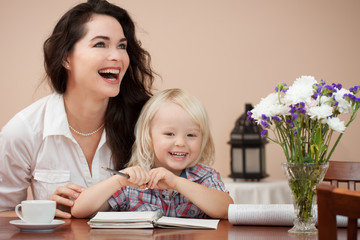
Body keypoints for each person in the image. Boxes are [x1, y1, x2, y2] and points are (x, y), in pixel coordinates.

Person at [0, 0, 155, 218]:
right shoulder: (23, 130)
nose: (117, 56)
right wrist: (43, 212)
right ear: (66, 58)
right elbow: (3, 213)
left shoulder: (147, 121)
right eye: (100, 44)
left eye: (122, 46)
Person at [71, 88, 234, 219]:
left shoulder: (205, 177)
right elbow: (79, 211)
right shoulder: (132, 182)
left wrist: (176, 182)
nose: (180, 143)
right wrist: (117, 181)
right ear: (148, 137)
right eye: (169, 134)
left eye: (191, 135)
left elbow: (227, 209)